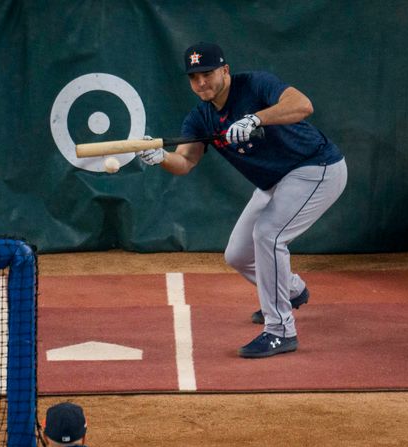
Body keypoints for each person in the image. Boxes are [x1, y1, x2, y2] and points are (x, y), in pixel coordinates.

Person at [137, 42, 347, 359]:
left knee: (268, 234)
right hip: (274, 183)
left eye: (207, 74)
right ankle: (291, 290)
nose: (202, 83)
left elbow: (302, 105)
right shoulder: (201, 118)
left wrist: (256, 119)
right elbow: (185, 162)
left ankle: (280, 331)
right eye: (194, 78)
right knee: (237, 254)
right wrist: (161, 157)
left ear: (224, 70)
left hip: (316, 168)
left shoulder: (255, 85)